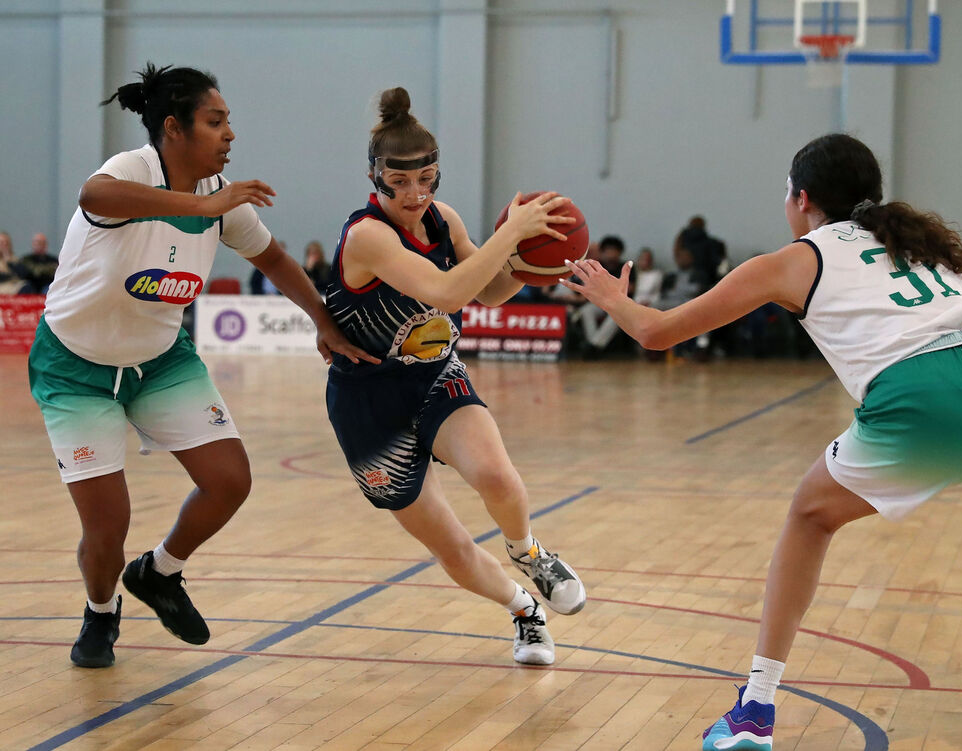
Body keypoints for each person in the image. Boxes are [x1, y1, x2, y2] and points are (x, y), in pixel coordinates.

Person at [563, 133, 962, 751]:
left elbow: (656, 333)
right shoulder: (923, 245)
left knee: (811, 516)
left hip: (923, 400)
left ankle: (756, 707)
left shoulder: (792, 261)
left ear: (803, 198)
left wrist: (613, 299)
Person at [27, 63, 374, 669]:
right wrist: (199, 201)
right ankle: (100, 612)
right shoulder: (133, 170)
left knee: (231, 480)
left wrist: (321, 319)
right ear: (173, 128)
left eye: (229, 122)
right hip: (74, 370)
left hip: (160, 361)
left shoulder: (222, 199)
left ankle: (160, 573)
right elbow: (93, 197)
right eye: (215, 122)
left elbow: (274, 258)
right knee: (107, 528)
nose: (229, 134)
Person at [322, 87, 586, 666]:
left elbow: (488, 288)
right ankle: (524, 610)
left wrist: (532, 262)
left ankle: (530, 553)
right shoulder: (368, 235)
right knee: (454, 549)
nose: (416, 194)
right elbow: (445, 291)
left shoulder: (445, 220)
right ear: (376, 178)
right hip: (366, 401)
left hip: (435, 375)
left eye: (428, 179)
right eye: (401, 183)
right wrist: (511, 237)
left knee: (498, 476)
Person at [577, 234, 630, 358]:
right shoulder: (597, 267)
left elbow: (630, 287)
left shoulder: (626, 267)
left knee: (616, 317)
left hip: (620, 304)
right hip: (601, 302)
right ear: (603, 252)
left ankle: (594, 346)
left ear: (620, 252)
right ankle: (594, 345)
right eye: (608, 250)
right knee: (586, 310)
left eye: (614, 250)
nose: (611, 254)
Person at [0, 231, 23, 295]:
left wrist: (8, 261)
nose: (4, 245)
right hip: (2, 286)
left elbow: (21, 274)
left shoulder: (14, 259)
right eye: (2, 243)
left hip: (13, 286)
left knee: (27, 286)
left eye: (6, 243)